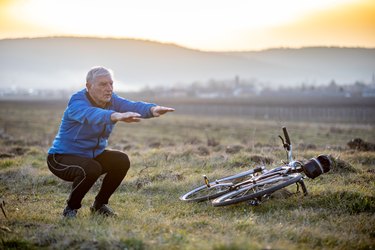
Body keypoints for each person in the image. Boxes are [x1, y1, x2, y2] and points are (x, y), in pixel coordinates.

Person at [47, 66, 174, 218]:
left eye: (111, 84)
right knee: (91, 168)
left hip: (91, 156)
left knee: (121, 160)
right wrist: (115, 115)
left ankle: (99, 205)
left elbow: (132, 105)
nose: (109, 89)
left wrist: (153, 109)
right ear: (88, 86)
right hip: (61, 157)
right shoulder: (77, 103)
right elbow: (91, 114)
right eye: (102, 84)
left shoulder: (112, 100)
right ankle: (71, 209)